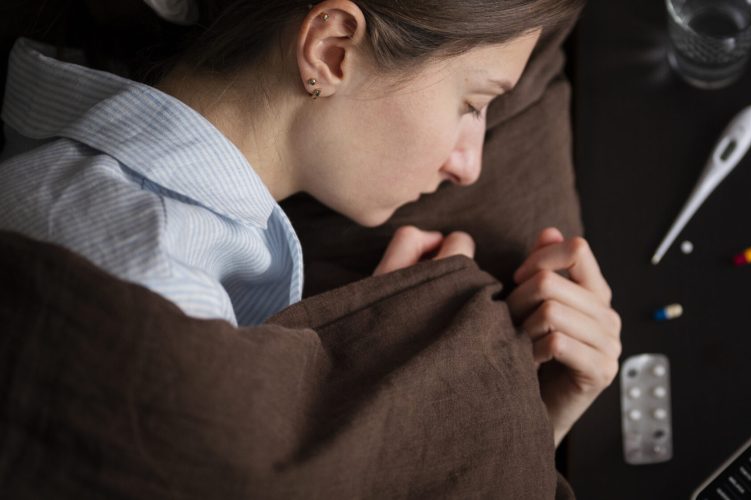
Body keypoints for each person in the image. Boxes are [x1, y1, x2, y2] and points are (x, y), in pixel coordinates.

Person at [0, 0, 617, 447]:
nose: (469, 166)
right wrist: (374, 375)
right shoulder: (155, 291)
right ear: (332, 50)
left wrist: (533, 416)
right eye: (472, 105)